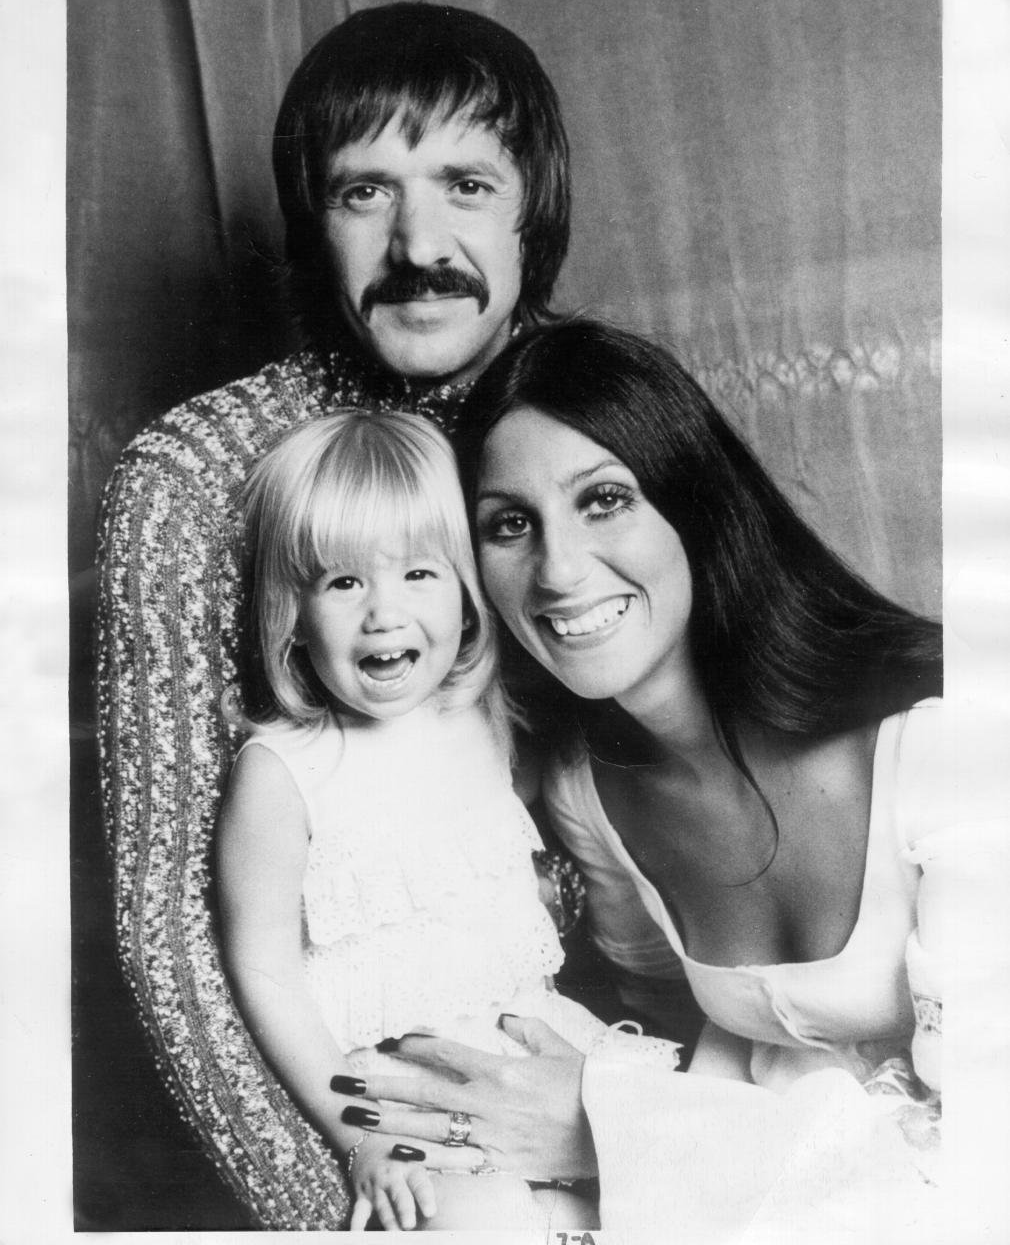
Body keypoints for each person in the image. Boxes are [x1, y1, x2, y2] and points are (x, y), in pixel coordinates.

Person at [336, 321, 1008, 1240]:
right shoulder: (587, 793)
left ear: (698, 506)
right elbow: (657, 1028)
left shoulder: (950, 747)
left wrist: (604, 1128)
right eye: (509, 525)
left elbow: (983, 1174)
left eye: (605, 500)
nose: (560, 572)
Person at [95, 2, 575, 1227]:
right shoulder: (196, 474)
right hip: (386, 1150)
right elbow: (181, 945)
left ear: (535, 206)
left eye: (465, 182)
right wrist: (353, 1209)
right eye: (365, 193)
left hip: (588, 1068)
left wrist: (626, 1130)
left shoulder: (587, 425)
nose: (419, 241)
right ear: (312, 228)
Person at [219, 410, 664, 1230]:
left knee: (664, 1193)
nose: (384, 614)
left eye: (419, 574)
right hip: (411, 1098)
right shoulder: (285, 771)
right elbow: (269, 976)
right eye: (344, 582)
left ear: (466, 594)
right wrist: (362, 1140)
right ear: (293, 614)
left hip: (538, 1050)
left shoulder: (484, 717)